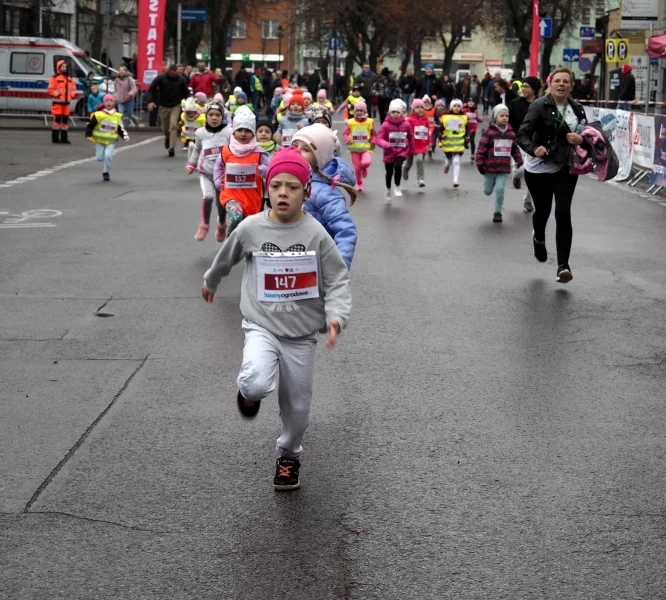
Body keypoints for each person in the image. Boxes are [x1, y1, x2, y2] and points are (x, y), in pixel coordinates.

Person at [201, 147, 352, 491]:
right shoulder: (252, 228)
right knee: (255, 381)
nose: (283, 193)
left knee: (298, 409)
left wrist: (336, 316)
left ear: (306, 192)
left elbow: (338, 278)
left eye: (293, 187)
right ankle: (249, 392)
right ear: (267, 188)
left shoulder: (316, 235)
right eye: (277, 185)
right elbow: (227, 257)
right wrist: (211, 281)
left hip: (300, 335)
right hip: (262, 325)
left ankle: (289, 455)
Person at [517, 67, 586, 283]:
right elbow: (523, 134)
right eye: (557, 81)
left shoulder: (577, 108)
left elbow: (587, 134)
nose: (562, 84)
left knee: (563, 212)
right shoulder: (539, 106)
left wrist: (581, 140)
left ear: (571, 86)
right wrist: (534, 148)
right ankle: (538, 237)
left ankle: (563, 266)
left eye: (566, 81)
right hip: (539, 166)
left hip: (565, 165)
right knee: (543, 211)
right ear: (550, 84)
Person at [292, 124, 358, 269]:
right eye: (294, 146)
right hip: (291, 263)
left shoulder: (323, 192)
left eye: (305, 149)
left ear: (318, 158)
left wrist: (338, 268)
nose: (297, 152)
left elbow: (345, 231)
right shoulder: (289, 182)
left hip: (316, 266)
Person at [213, 109, 270, 241]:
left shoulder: (259, 152)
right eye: (239, 130)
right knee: (236, 216)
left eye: (248, 131)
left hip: (252, 197)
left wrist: (263, 170)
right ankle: (230, 242)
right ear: (234, 131)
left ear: (253, 133)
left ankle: (247, 251)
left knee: (251, 229)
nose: (243, 134)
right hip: (231, 195)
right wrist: (217, 180)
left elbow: (269, 170)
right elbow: (219, 167)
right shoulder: (226, 150)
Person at [187, 101, 232, 241]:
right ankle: (205, 224)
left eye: (217, 115)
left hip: (223, 175)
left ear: (222, 117)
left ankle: (222, 225)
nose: (214, 118)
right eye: (211, 115)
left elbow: (234, 151)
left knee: (221, 203)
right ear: (206, 116)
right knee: (208, 196)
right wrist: (191, 164)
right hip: (205, 172)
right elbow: (196, 150)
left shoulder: (228, 132)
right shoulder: (201, 133)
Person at [475, 104, 523, 223]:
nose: (505, 118)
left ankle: (497, 212)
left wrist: (518, 160)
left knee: (500, 189)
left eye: (507, 116)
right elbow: (481, 149)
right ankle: (489, 185)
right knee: (487, 191)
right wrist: (480, 164)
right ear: (495, 117)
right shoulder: (489, 133)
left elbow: (515, 149)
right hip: (490, 167)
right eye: (501, 115)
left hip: (503, 167)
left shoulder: (511, 134)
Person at [509, 76, 541, 211]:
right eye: (522, 87)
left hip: (535, 143)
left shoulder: (541, 104)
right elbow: (508, 122)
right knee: (523, 167)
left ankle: (528, 200)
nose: (523, 89)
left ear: (534, 89)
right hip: (518, 141)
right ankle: (516, 175)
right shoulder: (515, 103)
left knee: (531, 171)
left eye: (526, 87)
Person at [375, 98, 414, 203]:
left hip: (402, 151)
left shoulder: (406, 125)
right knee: (389, 173)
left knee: (398, 167)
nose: (395, 114)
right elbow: (378, 139)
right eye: (393, 112)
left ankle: (397, 186)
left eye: (397, 112)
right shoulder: (385, 125)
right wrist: (386, 145)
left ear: (401, 113)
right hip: (389, 153)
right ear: (389, 113)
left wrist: (411, 150)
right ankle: (388, 189)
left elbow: (410, 137)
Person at [84, 94, 130, 181]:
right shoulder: (98, 115)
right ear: (104, 103)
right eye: (107, 101)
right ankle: (103, 161)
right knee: (100, 158)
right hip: (99, 140)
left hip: (111, 141)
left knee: (108, 156)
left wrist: (125, 136)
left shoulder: (117, 116)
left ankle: (106, 172)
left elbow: (120, 128)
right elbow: (90, 125)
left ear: (114, 103)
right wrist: (88, 135)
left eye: (111, 101)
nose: (109, 103)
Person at [148, 64, 190, 157]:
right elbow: (151, 88)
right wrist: (151, 101)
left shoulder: (181, 79)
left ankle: (172, 147)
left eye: (176, 73)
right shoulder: (161, 77)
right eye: (172, 73)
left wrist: (189, 102)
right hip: (163, 105)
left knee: (173, 126)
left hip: (176, 105)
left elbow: (186, 92)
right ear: (169, 71)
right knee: (165, 127)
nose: (174, 74)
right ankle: (167, 137)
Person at [342, 99, 376, 192]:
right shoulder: (350, 122)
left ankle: (364, 169)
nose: (359, 112)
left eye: (361, 111)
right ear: (354, 111)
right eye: (357, 110)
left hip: (365, 148)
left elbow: (373, 134)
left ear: (365, 111)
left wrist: (373, 141)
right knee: (357, 168)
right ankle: (359, 183)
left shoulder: (370, 121)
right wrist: (348, 140)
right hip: (354, 148)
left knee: (366, 162)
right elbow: (345, 134)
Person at [439, 99, 469, 188]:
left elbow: (467, 131)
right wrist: (441, 136)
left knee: (456, 161)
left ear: (461, 108)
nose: (456, 108)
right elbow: (440, 130)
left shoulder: (464, 118)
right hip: (448, 143)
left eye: (458, 106)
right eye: (455, 106)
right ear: (451, 107)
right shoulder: (445, 117)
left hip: (458, 143)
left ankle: (455, 180)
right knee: (450, 160)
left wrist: (467, 139)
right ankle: (447, 165)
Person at [47, 59, 76, 144]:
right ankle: (55, 138)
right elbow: (50, 89)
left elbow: (73, 89)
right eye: (63, 66)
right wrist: (58, 95)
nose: (64, 68)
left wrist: (71, 95)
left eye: (65, 67)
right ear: (59, 67)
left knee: (65, 121)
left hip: (66, 103)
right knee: (57, 121)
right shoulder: (54, 77)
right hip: (58, 102)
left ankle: (64, 138)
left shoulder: (70, 78)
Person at [402, 98, 429, 187]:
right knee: (409, 163)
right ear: (413, 109)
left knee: (419, 160)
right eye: (417, 107)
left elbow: (426, 132)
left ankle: (421, 179)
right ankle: (405, 170)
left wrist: (428, 142)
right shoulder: (409, 120)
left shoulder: (426, 120)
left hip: (421, 145)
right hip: (411, 145)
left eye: (421, 107)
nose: (420, 109)